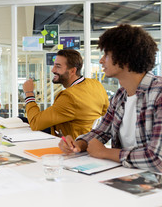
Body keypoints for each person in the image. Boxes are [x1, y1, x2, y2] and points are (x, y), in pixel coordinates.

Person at [59, 24, 162, 173]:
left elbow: (158, 159)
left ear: (125, 58)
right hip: (127, 177)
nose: (101, 61)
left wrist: (106, 152)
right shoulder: (120, 96)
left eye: (106, 55)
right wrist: (78, 144)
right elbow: (101, 132)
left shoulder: (158, 95)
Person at [23, 49, 109, 139]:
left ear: (72, 71)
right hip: (86, 135)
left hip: (68, 142)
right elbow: (105, 111)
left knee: (23, 121)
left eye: (58, 66)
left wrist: (29, 94)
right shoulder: (95, 84)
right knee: (22, 120)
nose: (53, 70)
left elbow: (35, 123)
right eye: (54, 65)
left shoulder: (70, 97)